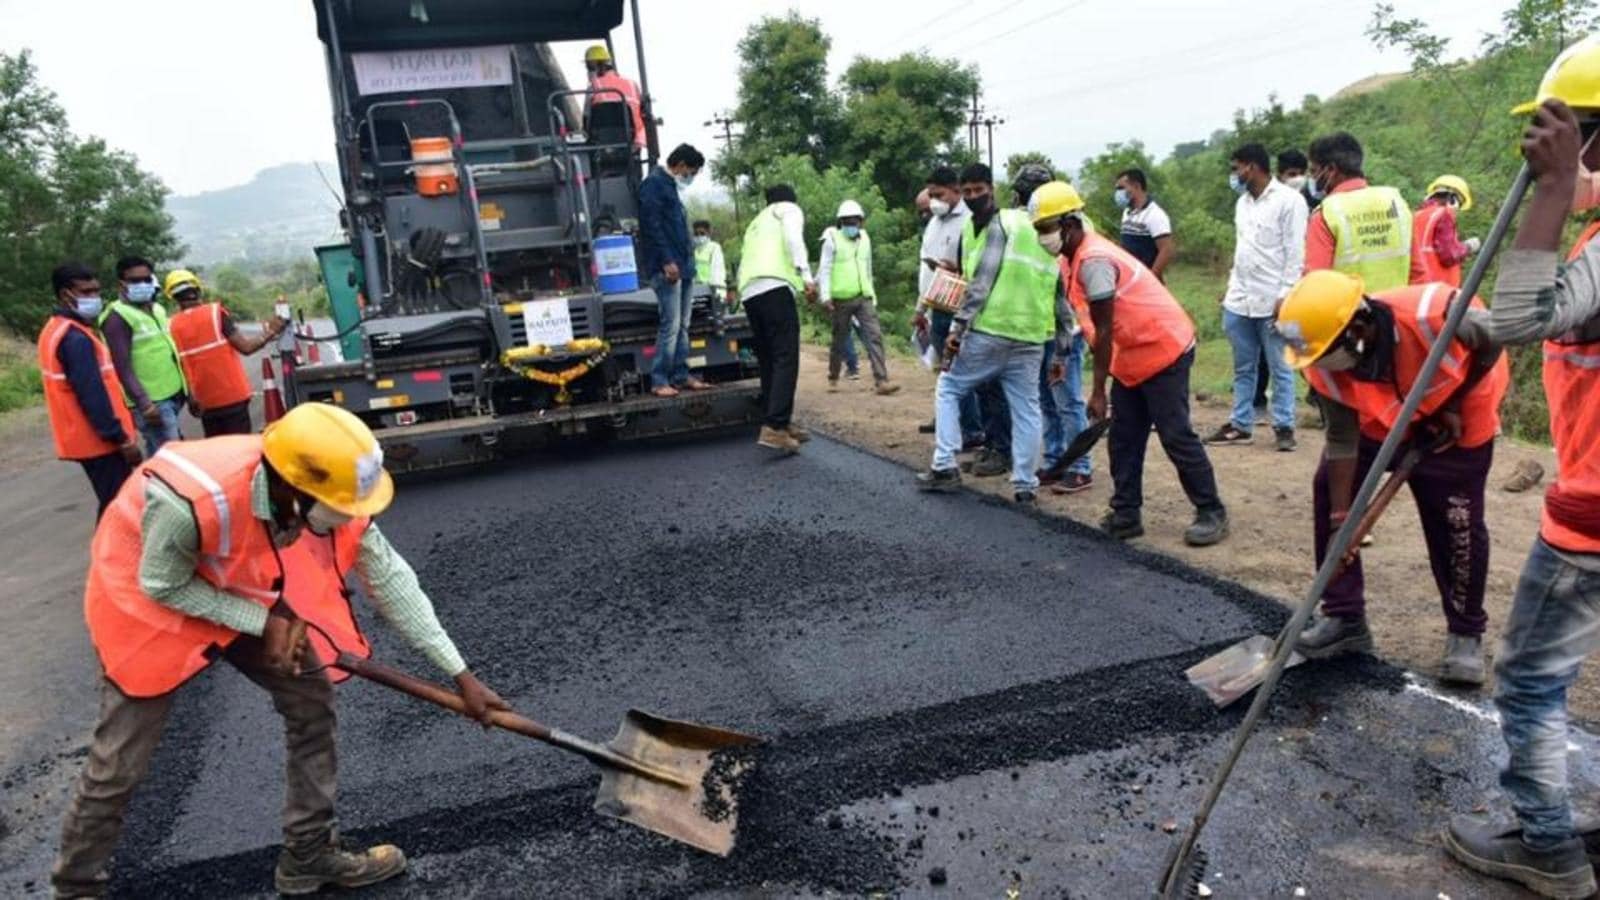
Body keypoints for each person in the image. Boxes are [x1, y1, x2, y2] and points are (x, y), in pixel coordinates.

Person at [51, 402, 506, 898]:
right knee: (121, 758)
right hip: (147, 594)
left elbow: (391, 578)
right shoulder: (194, 501)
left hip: (232, 580)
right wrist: (263, 621)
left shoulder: (330, 488)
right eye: (336, 512)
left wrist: (460, 673)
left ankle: (309, 855)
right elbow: (163, 584)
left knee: (311, 700)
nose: (344, 521)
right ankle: (75, 887)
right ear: (293, 490)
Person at [1441, 66, 1600, 896]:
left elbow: (1523, 319)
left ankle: (1547, 847)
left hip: (1593, 520)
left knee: (1534, 684)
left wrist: (1552, 190)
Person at [1275, 270, 1507, 681]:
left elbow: (1496, 337)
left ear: (1359, 328)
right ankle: (1345, 619)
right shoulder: (1320, 357)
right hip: (1382, 419)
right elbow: (1342, 438)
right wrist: (1342, 520)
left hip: (1458, 421)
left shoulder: (1438, 314)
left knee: (1456, 523)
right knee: (1330, 490)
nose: (1325, 365)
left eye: (1331, 352)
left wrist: (1453, 402)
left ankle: (1465, 634)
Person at [1031, 181, 1228, 546]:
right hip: (1132, 355)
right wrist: (1066, 357)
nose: (1043, 237)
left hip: (1164, 348)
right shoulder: (1068, 259)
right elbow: (1080, 320)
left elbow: (1103, 330)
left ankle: (1211, 510)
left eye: (1046, 228)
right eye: (1039, 230)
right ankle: (1126, 514)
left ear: (1070, 223)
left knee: (1175, 434)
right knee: (1124, 437)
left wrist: (1097, 392)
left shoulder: (1095, 262)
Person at [915, 163, 1065, 505]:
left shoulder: (1003, 223)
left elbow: (980, 283)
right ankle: (1025, 485)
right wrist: (1061, 349)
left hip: (990, 330)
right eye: (966, 191)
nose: (972, 198)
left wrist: (957, 328)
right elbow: (1059, 291)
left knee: (949, 386)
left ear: (996, 190)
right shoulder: (1049, 232)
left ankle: (944, 466)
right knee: (1027, 409)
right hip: (1031, 336)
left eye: (977, 190)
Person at [1205, 144, 1307, 452]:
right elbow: (1244, 249)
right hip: (1241, 298)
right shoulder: (1243, 204)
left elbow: (1295, 252)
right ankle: (1241, 424)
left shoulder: (1290, 201)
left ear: (1252, 167)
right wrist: (1231, 286)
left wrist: (1286, 293)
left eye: (1237, 168)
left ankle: (1284, 426)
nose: (1234, 175)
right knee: (1244, 366)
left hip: (1274, 299)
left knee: (1281, 365)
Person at [37, 262, 141, 518]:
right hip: (100, 442)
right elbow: (92, 395)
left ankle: (109, 556)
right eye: (86, 292)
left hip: (85, 439)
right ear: (65, 295)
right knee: (117, 508)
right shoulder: (75, 339)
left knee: (113, 503)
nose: (94, 298)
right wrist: (120, 439)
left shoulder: (55, 329)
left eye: (95, 291)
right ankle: (108, 558)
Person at [738, 184, 815, 453]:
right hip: (774, 287)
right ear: (791, 199)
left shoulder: (756, 222)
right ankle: (775, 426)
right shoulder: (788, 210)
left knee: (769, 359)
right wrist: (807, 277)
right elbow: (795, 241)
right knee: (786, 356)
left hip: (749, 292)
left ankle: (778, 422)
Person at [166, 270, 286, 436]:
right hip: (233, 395)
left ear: (173, 297)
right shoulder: (215, 313)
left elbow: (179, 366)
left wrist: (190, 398)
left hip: (204, 401)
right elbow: (246, 347)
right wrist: (271, 332)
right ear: (198, 290)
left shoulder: (171, 325)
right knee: (241, 447)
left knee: (220, 450)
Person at [912, 166, 981, 443]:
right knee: (945, 371)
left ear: (955, 189)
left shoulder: (970, 220)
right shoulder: (934, 223)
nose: (934, 200)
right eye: (931, 195)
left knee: (961, 372)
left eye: (938, 194)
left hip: (959, 307)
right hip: (936, 304)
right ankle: (950, 421)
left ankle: (972, 429)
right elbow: (928, 269)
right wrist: (921, 309)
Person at [638, 144, 711, 398]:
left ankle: (680, 375)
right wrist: (667, 260)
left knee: (683, 325)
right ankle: (659, 379)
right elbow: (652, 227)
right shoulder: (654, 185)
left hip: (683, 267)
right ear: (679, 165)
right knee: (671, 325)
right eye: (690, 171)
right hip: (668, 267)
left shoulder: (669, 187)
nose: (689, 177)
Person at [1303, 131, 1412, 291]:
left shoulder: (1325, 215)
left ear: (1331, 169)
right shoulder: (1397, 203)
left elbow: (1316, 286)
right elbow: (1419, 273)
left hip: (1350, 314)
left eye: (1313, 171)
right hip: (1397, 311)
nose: (1311, 179)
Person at [99, 255, 186, 454]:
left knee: (163, 451)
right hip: (152, 402)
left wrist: (187, 392)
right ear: (121, 284)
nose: (143, 284)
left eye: (147, 279)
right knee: (171, 457)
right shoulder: (117, 318)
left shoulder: (157, 309)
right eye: (135, 281)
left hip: (171, 395)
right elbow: (122, 366)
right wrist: (144, 404)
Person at [818, 199, 899, 395]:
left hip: (864, 296)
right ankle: (833, 377)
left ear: (861, 222)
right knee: (839, 339)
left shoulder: (865, 239)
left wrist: (873, 294)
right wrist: (825, 296)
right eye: (846, 222)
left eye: (853, 222)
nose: (850, 226)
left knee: (874, 336)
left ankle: (881, 380)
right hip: (840, 299)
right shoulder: (832, 240)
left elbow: (868, 266)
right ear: (840, 222)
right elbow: (825, 269)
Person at [1409, 175, 1482, 287]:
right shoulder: (1444, 215)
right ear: (1453, 200)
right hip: (1438, 287)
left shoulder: (1416, 216)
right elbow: (1449, 256)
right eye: (1460, 203)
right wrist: (1468, 246)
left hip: (1418, 286)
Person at [1114, 168, 1175, 281]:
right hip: (1130, 277)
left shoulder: (1155, 214)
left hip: (1146, 281)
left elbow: (1166, 249)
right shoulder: (1127, 213)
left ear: (1137, 186)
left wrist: (1151, 278)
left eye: (1121, 188)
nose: (1118, 193)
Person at [583, 44, 645, 150]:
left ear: (596, 65)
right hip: (634, 142)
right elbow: (642, 111)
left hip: (603, 143)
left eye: (589, 66)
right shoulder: (632, 84)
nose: (588, 71)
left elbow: (586, 118)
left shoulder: (594, 86)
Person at [691, 219, 730, 303]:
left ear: (708, 233)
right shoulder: (694, 250)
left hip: (713, 291)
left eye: (702, 233)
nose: (699, 236)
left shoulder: (714, 248)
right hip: (697, 291)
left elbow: (717, 271)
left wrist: (717, 293)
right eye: (696, 234)